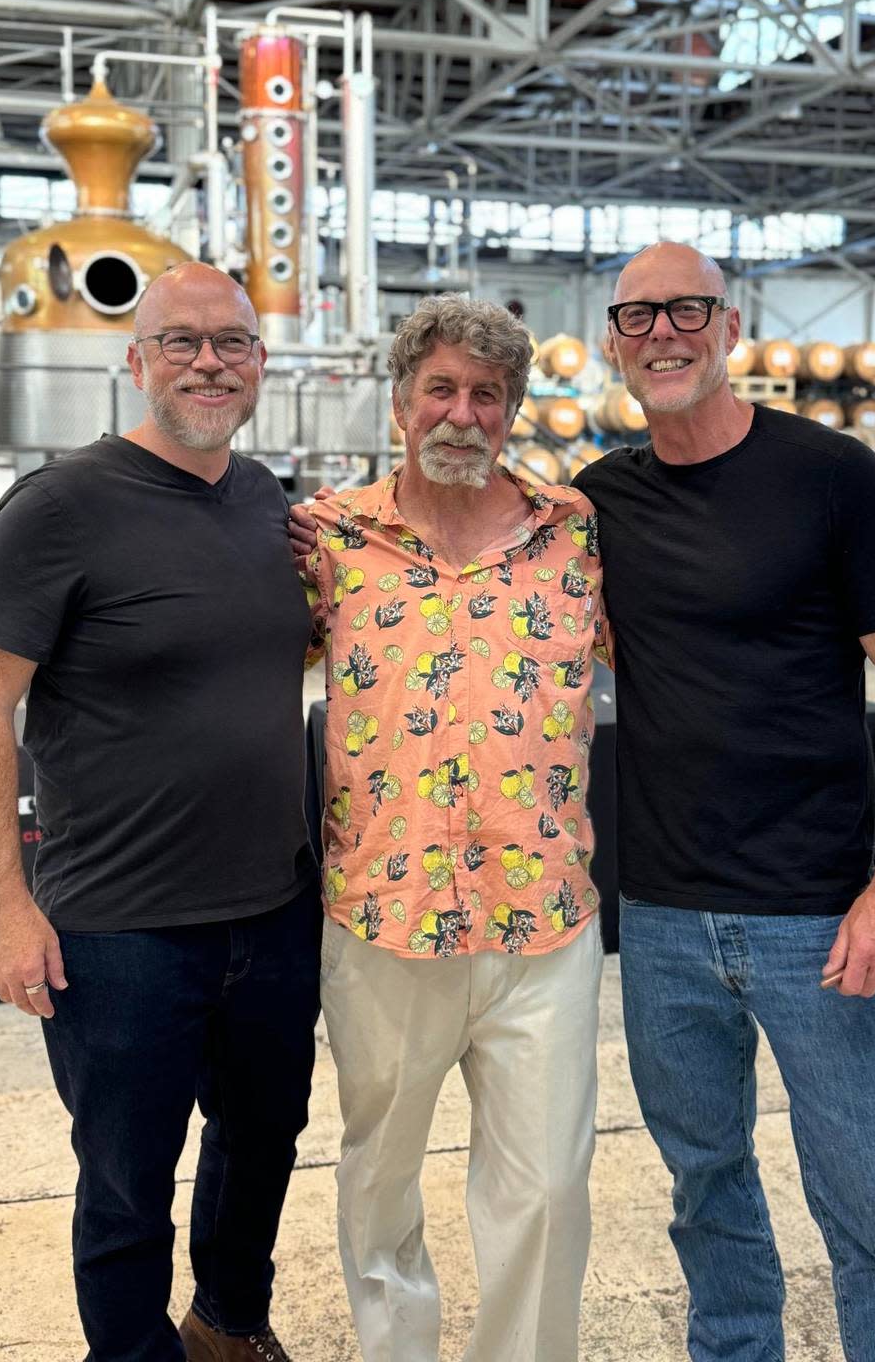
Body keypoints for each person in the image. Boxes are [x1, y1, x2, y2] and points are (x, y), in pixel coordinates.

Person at [570, 243, 875, 1362]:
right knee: (707, 1193)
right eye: (638, 316)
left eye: (687, 310)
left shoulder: (833, 477)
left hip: (818, 915)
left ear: (730, 327)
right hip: (661, 917)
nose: (663, 334)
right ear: (612, 340)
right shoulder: (600, 498)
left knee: (870, 1208)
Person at [0, 261, 320, 1362]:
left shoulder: (265, 499)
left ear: (260, 361)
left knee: (263, 1143)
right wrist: (5, 906)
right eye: (183, 341)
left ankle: (227, 1326)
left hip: (272, 907)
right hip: (119, 930)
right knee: (125, 1181)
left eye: (232, 343)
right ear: (137, 358)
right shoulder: (60, 506)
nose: (210, 361)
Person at [291, 294, 608, 1362]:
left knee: (552, 1186)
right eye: (442, 388)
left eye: (487, 393)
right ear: (398, 403)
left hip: (544, 921)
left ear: (514, 409)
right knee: (379, 1175)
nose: (462, 412)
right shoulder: (330, 537)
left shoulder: (573, 534)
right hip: (387, 913)